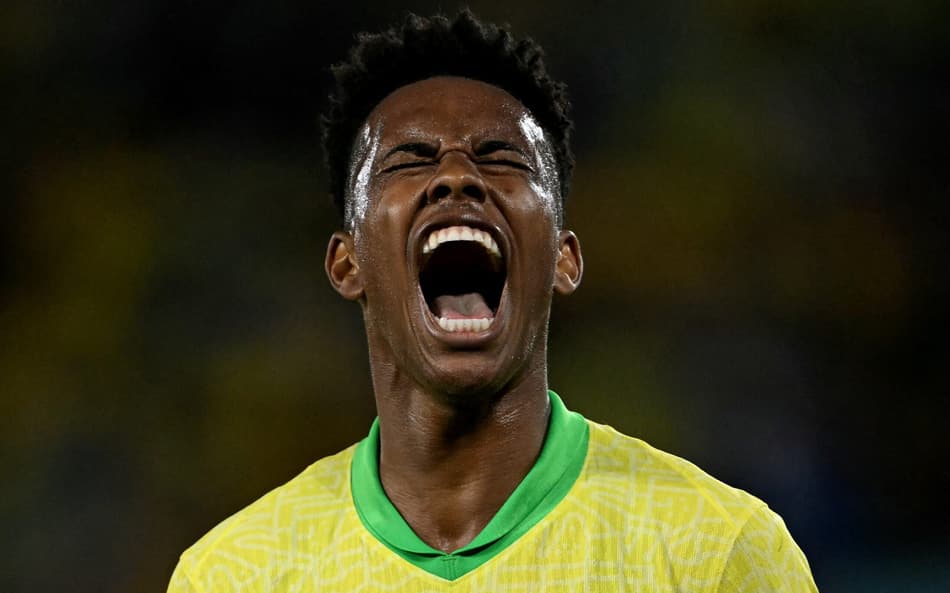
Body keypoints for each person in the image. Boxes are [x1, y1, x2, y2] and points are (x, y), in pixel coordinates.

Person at [167, 10, 818, 592]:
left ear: (564, 259)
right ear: (348, 262)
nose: (456, 175)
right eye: (410, 159)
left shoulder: (718, 553)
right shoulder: (233, 575)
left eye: (500, 156)